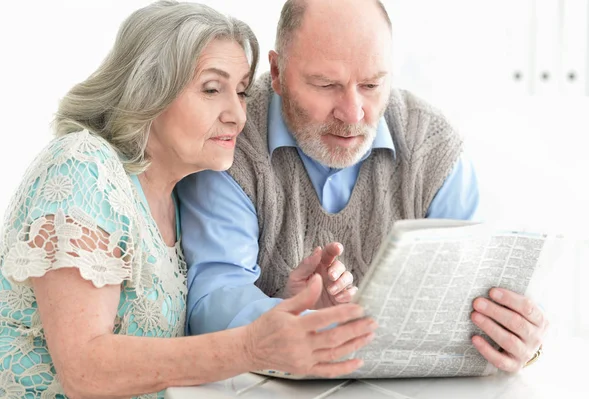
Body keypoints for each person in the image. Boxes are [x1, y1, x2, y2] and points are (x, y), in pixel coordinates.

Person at [0, 2, 377, 398]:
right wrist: (251, 345)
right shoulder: (83, 167)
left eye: (242, 91)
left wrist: (288, 308)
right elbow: (84, 370)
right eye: (212, 89)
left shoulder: (173, 198)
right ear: (148, 90)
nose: (237, 114)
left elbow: (164, 350)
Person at [179, 0, 548, 374]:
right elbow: (214, 304)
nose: (353, 113)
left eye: (372, 85)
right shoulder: (231, 140)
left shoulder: (432, 148)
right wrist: (308, 319)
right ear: (277, 72)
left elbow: (470, 297)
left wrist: (517, 340)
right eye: (326, 84)